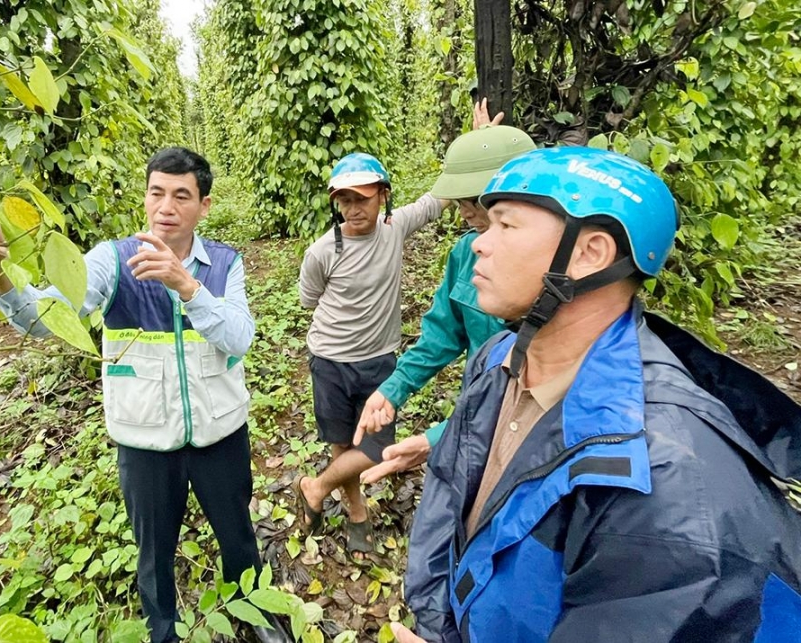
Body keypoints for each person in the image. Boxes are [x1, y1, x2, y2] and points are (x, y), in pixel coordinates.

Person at [391, 147, 801, 641]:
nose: (480, 243)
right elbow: (448, 509)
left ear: (590, 254)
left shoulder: (664, 480)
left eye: (506, 225)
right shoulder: (497, 361)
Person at [0, 147, 291, 643]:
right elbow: (45, 318)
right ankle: (164, 633)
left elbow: (240, 337)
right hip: (146, 440)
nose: (166, 207)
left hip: (220, 431)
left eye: (182, 195)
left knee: (238, 535)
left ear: (205, 205)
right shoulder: (113, 261)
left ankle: (259, 618)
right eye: (157, 192)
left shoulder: (224, 263)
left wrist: (187, 285)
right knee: (154, 551)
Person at [353, 102, 536, 485]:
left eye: (473, 201)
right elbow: (440, 337)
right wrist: (392, 389)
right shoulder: (464, 257)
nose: (465, 212)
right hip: (475, 423)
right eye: (462, 201)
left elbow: (526, 396)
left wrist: (436, 439)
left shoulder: (556, 279)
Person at [294, 151, 446, 557]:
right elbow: (309, 299)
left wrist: (479, 145)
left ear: (383, 196)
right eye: (344, 200)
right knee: (342, 445)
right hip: (329, 360)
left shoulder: (395, 229)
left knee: (376, 446)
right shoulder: (322, 251)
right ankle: (357, 513)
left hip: (379, 360)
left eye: (362, 198)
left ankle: (316, 487)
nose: (353, 208)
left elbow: (439, 199)